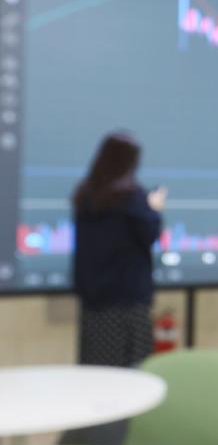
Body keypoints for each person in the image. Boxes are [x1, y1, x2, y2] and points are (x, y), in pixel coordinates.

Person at [72, 132, 166, 367]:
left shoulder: (85, 195)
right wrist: (154, 209)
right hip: (127, 302)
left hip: (93, 302)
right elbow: (149, 234)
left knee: (98, 371)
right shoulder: (132, 198)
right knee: (132, 377)